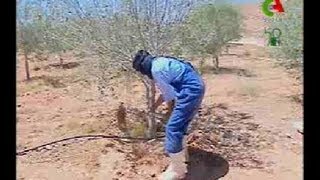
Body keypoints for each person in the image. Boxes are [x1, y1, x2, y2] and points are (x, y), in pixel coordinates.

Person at [132, 50, 205, 180]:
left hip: (190, 90)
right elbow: (167, 92)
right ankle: (183, 158)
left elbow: (170, 97)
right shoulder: (159, 62)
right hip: (194, 86)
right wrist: (154, 107)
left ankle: (178, 171)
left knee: (172, 128)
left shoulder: (156, 70)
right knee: (180, 126)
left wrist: (170, 114)